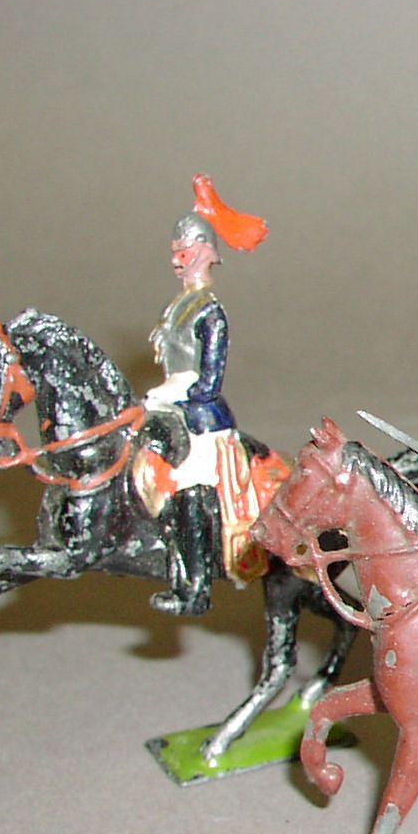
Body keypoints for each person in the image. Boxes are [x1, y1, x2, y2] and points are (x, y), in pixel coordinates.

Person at [143, 175, 269, 615]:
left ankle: (196, 587)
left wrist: (174, 397)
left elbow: (208, 380)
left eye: (183, 252)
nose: (176, 261)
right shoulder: (177, 307)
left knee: (191, 481)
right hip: (168, 405)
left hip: (202, 420)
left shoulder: (210, 312)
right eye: (175, 251)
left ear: (203, 252)